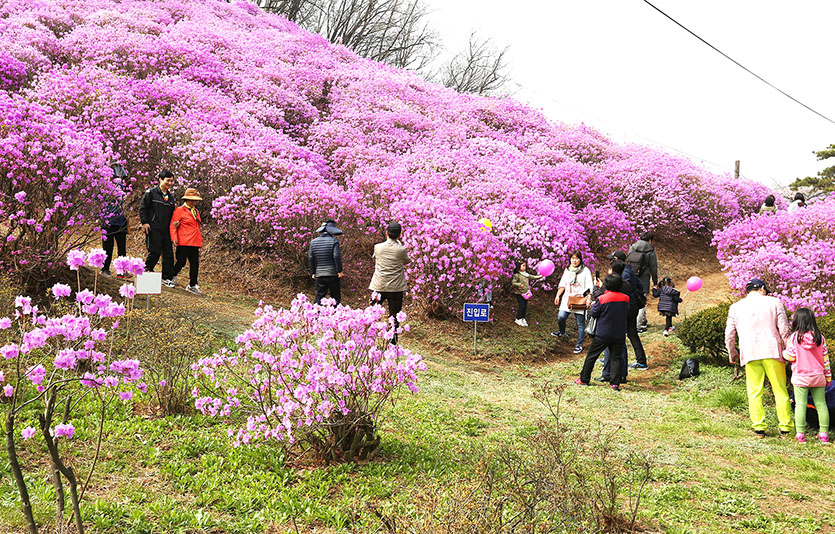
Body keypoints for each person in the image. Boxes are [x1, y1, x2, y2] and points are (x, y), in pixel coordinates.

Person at [725, 278, 793, 437]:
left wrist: (732, 353)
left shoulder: (735, 307)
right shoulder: (775, 302)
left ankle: (759, 427)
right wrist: (790, 349)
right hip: (772, 351)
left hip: (750, 352)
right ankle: (785, 427)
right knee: (780, 390)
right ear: (762, 289)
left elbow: (729, 334)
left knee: (754, 391)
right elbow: (784, 329)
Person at [783, 308, 830, 445]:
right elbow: (825, 360)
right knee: (821, 404)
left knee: (800, 405)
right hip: (818, 376)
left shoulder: (794, 338)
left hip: (801, 377)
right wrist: (828, 377)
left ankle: (800, 435)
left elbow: (791, 356)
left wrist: (783, 353)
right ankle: (823, 434)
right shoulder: (820, 338)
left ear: (797, 321)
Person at [576, 274, 629, 391]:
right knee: (616, 358)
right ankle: (615, 383)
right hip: (619, 333)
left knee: (592, 356)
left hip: (603, 333)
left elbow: (594, 313)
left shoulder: (602, 299)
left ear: (607, 285)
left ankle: (584, 379)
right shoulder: (626, 298)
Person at [369, 222, 410, 344]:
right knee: (394, 315)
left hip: (379, 285)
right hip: (395, 288)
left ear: (386, 233)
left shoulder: (378, 247)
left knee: (373, 313)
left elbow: (374, 257)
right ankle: (393, 341)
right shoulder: (401, 249)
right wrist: (399, 244)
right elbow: (406, 261)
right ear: (399, 235)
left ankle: (369, 337)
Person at [551, 251, 594, 354]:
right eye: (572, 258)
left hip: (579, 299)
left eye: (576, 258)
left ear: (580, 259)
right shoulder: (567, 270)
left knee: (580, 323)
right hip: (567, 298)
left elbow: (589, 286)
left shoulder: (585, 271)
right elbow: (562, 284)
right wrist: (558, 295)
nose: (574, 260)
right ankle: (562, 332)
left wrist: (588, 298)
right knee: (561, 317)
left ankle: (579, 344)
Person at [139, 170, 177, 286]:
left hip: (166, 229)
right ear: (160, 179)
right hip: (153, 227)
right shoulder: (151, 193)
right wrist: (144, 222)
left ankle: (166, 278)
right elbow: (143, 208)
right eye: (168, 180)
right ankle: (146, 272)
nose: (170, 183)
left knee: (168, 254)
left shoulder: (171, 197)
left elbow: (172, 213)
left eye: (172, 181)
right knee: (154, 251)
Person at [170, 188, 204, 295]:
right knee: (181, 261)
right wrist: (174, 238)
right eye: (192, 200)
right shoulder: (180, 210)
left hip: (195, 241)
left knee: (195, 264)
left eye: (195, 200)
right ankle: (172, 276)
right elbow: (173, 225)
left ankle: (192, 284)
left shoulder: (196, 211)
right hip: (183, 241)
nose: (194, 202)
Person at [627, 232, 658, 333]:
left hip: (631, 278)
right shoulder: (650, 251)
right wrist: (655, 282)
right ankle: (638, 326)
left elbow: (628, 263)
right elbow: (653, 268)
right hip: (644, 279)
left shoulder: (632, 247)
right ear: (650, 240)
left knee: (632, 300)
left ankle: (641, 322)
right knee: (642, 301)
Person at [101, 163, 128, 277]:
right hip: (108, 221)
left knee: (122, 247)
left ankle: (122, 270)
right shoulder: (103, 186)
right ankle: (105, 269)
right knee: (108, 247)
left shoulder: (120, 185)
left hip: (120, 220)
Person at [308, 219, 344, 305]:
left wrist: (313, 272)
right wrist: (339, 271)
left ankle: (315, 312)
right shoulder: (334, 241)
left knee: (319, 296)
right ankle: (335, 312)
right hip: (332, 274)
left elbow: (311, 258)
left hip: (319, 274)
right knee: (335, 297)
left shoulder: (313, 242)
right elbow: (336, 256)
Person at [511, 262, 542, 327]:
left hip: (526, 293)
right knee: (521, 306)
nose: (524, 267)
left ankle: (523, 318)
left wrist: (540, 276)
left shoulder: (526, 274)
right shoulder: (517, 275)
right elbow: (513, 283)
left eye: (525, 266)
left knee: (525, 306)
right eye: (523, 266)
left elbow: (533, 277)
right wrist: (519, 284)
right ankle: (518, 318)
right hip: (519, 293)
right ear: (519, 267)